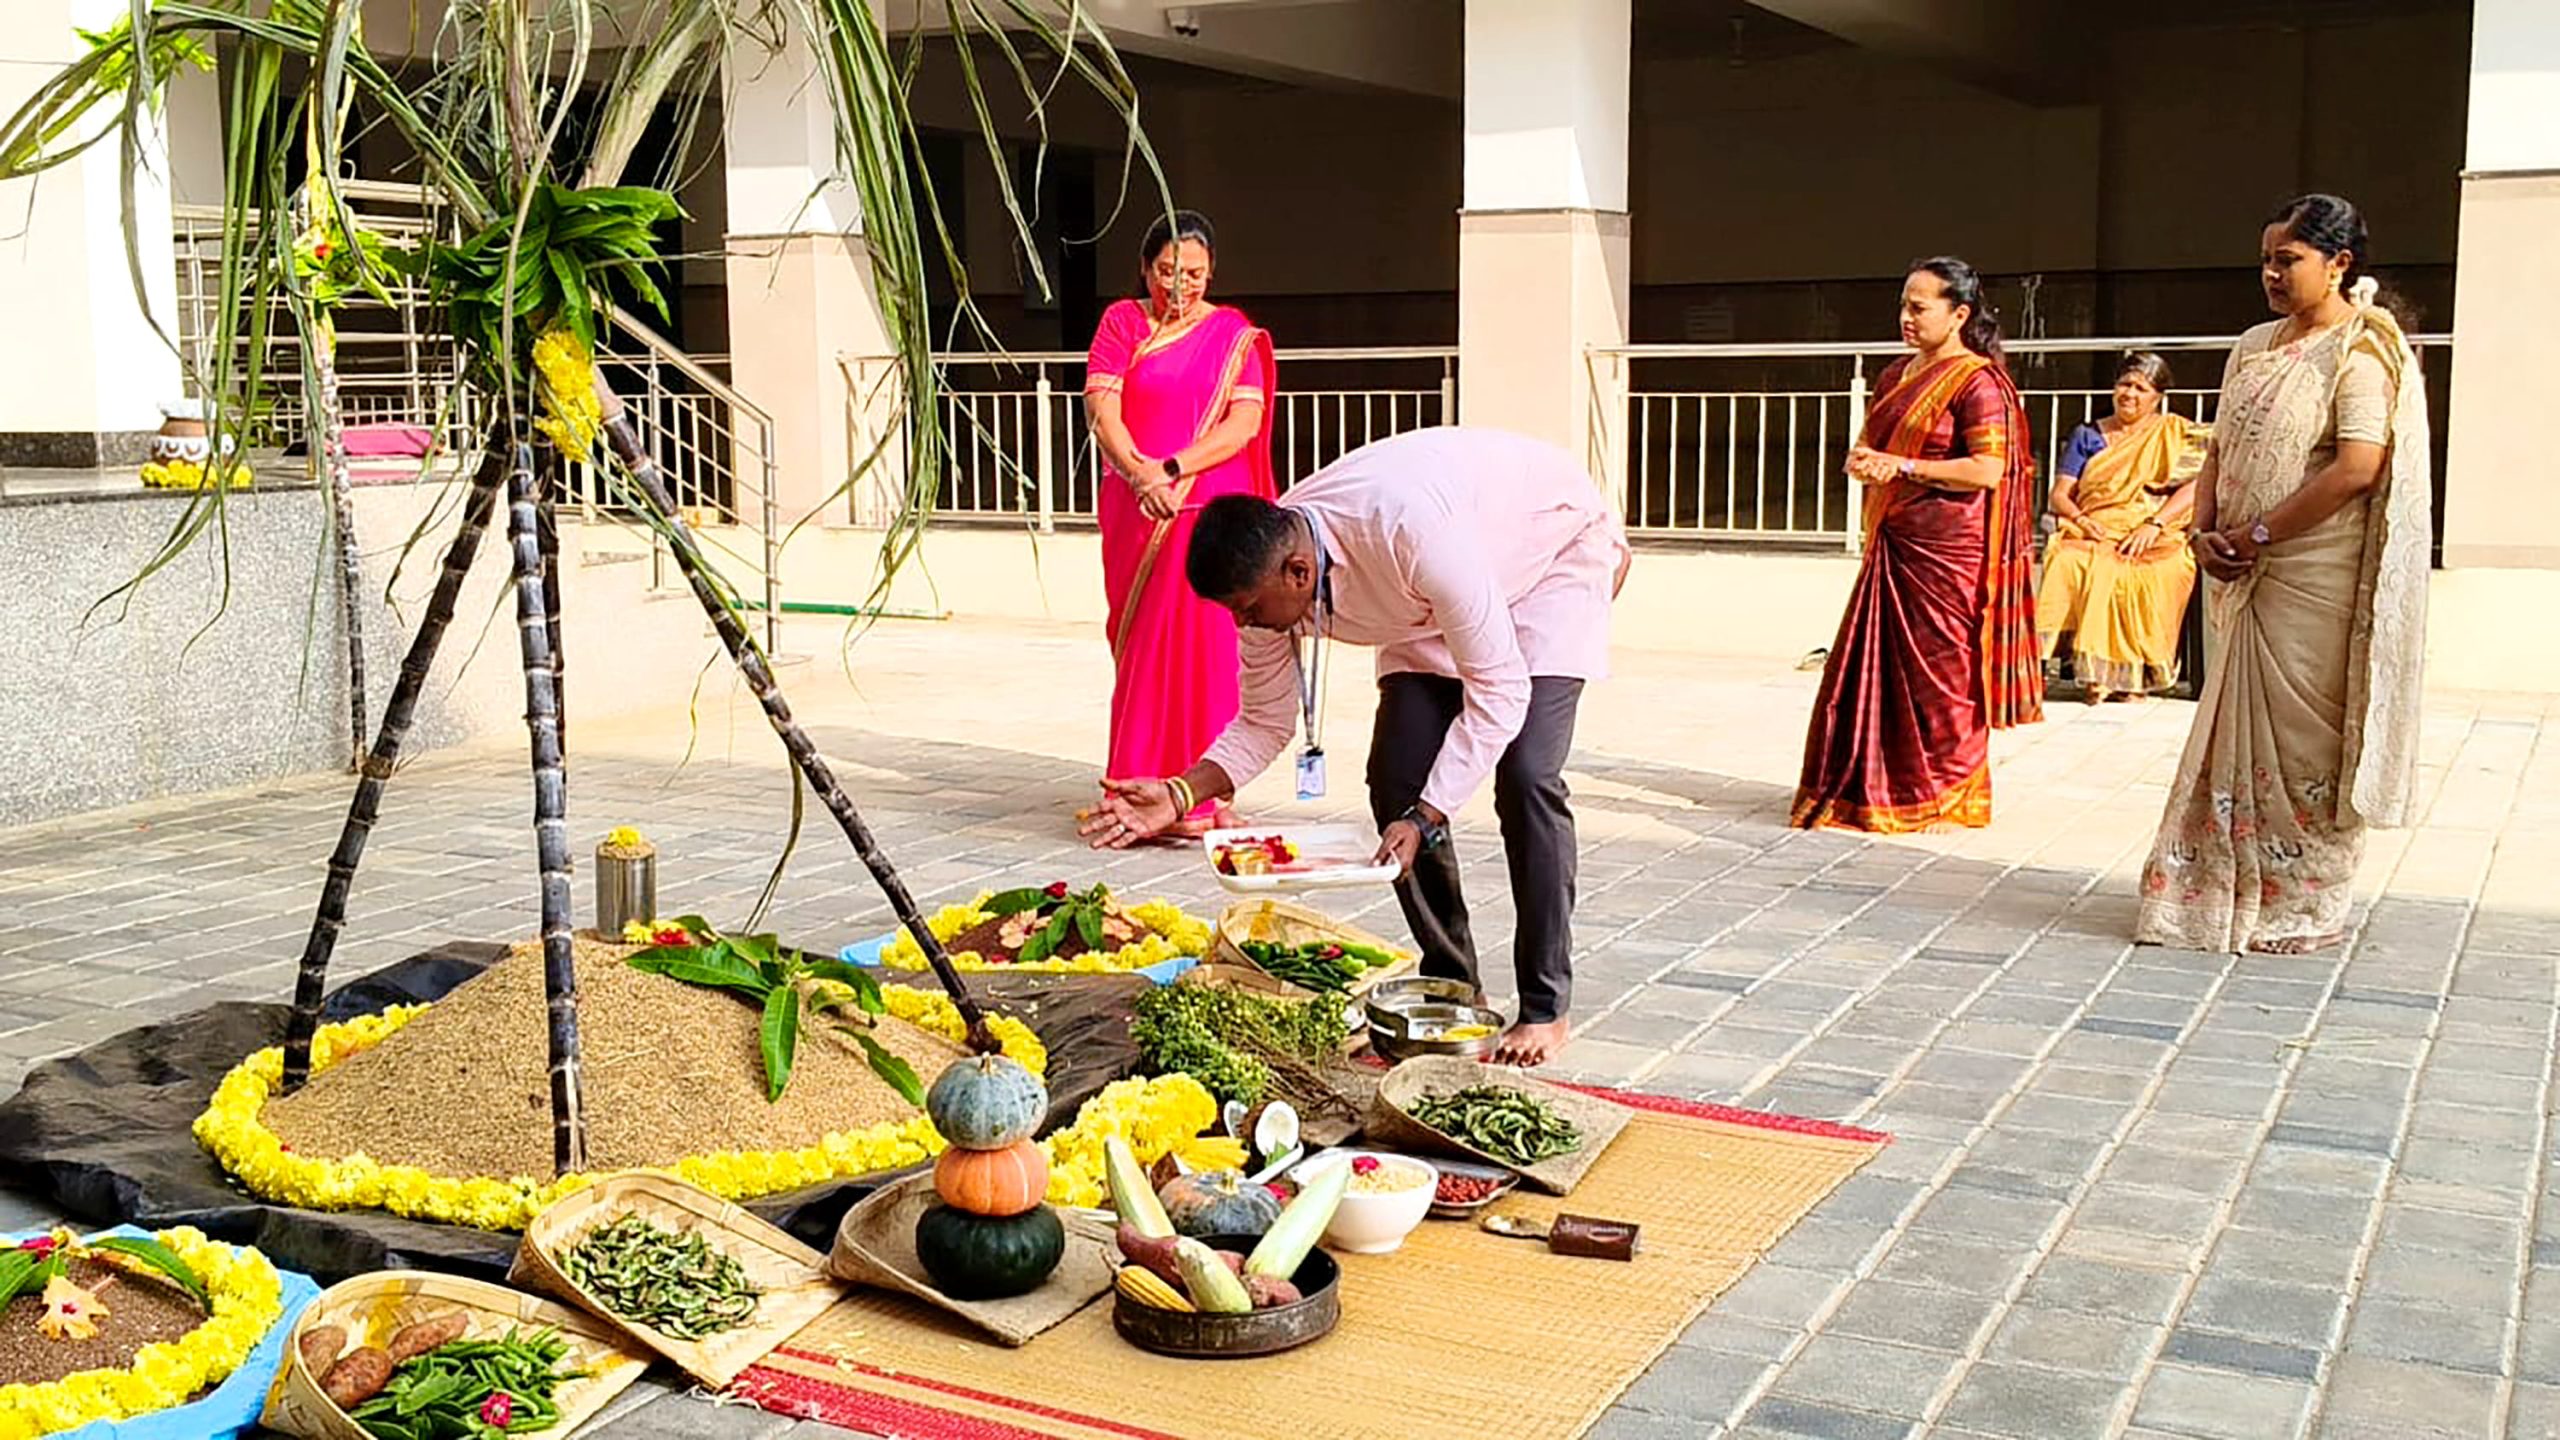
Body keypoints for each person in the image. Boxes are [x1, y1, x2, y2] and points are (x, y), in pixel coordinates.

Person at [1078, 427, 1632, 1066]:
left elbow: (1499, 690)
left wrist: (1430, 817)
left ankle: (1545, 1006)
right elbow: (1265, 720)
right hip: (1429, 603)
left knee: (1528, 774)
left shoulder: (1408, 532)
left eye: (1250, 610)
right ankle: (1455, 985)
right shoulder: (1269, 574)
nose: (1243, 625)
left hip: (1545, 564)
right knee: (1395, 777)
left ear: (1298, 572)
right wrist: (1179, 793)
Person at [2138, 195, 2430, 955]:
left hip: (2312, 576)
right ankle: (2209, 881)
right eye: (2266, 258)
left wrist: (2261, 531)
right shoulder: (2254, 345)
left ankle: (2301, 902)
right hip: (2239, 568)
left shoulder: (2361, 352)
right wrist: (2202, 529)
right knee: (2230, 725)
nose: (2271, 273)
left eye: (2288, 259)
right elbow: (2221, 450)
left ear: (2339, 264)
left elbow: (2359, 467)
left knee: (2303, 738)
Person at [1791, 257, 2042, 832]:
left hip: (1948, 548)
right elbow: (1874, 447)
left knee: (1941, 675)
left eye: (1919, 306)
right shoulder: (1895, 376)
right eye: (1903, 304)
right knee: (1880, 670)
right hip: (1897, 539)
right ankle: (1873, 785)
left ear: (1959, 314)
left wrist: (1900, 466)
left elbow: (1987, 469)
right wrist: (1867, 462)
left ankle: (1946, 792)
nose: (1906, 316)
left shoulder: (1978, 382)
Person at [1085, 210, 1276, 838]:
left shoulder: (1232, 333)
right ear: (1146, 269)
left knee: (1212, 651)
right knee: (1144, 646)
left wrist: (1173, 467)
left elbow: (1242, 426)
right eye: (1167, 271)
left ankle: (1205, 795)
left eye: (1193, 273)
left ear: (1211, 271)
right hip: (1139, 510)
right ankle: (1135, 783)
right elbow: (1103, 407)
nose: (1179, 286)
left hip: (1204, 510)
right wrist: (1142, 474)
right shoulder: (1122, 323)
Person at [2038, 351, 2209, 701]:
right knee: (2077, 561)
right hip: (2096, 526)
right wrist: (2083, 520)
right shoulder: (2088, 435)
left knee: (2161, 570)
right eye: (2123, 384)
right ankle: (2097, 677)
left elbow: (2199, 484)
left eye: (2140, 388)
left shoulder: (2174, 433)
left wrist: (2154, 524)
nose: (2129, 393)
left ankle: (2131, 679)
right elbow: (2059, 495)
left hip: (2153, 530)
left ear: (2158, 398)